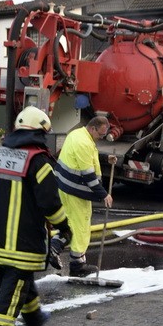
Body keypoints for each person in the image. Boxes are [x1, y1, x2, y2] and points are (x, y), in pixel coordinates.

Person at [0, 106, 72, 326]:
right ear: (42, 133)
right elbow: (50, 203)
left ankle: (35, 319)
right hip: (23, 245)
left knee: (21, 283)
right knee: (12, 292)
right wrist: (64, 228)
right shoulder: (39, 162)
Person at [56, 115, 113, 275]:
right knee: (81, 226)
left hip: (66, 188)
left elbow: (89, 157)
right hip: (76, 190)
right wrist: (104, 195)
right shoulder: (83, 142)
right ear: (92, 128)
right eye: (100, 134)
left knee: (71, 223)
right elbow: (88, 176)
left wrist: (106, 158)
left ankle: (55, 248)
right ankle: (77, 266)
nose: (101, 137)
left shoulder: (78, 134)